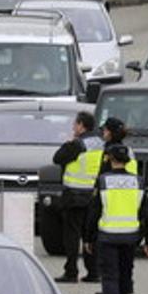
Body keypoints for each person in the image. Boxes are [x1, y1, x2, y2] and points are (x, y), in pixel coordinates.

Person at [84, 144, 148, 294]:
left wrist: (88, 238)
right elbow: (145, 214)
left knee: (109, 280)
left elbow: (94, 212)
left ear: (110, 159)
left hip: (107, 236)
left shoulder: (103, 181)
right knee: (123, 279)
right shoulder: (138, 182)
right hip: (131, 237)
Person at [52, 111, 102, 283]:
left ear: (81, 125)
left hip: (75, 194)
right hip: (94, 195)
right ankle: (93, 272)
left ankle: (71, 271)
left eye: (75, 124)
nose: (73, 127)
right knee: (90, 234)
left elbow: (57, 158)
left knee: (72, 236)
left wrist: (68, 144)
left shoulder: (78, 143)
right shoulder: (101, 142)